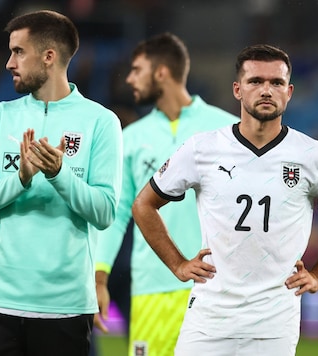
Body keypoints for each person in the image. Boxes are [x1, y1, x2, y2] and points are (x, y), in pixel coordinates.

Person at [132, 44, 318, 356]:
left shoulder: (314, 156)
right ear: (238, 90)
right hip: (210, 317)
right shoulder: (202, 149)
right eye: (256, 81)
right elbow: (143, 204)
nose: (266, 90)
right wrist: (178, 264)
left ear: (290, 91)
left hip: (274, 321)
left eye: (276, 82)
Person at [0, 10, 122, 356]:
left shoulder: (101, 122)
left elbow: (105, 212)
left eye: (19, 51)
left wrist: (58, 175)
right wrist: (20, 178)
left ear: (49, 57)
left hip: (64, 308)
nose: (9, 62)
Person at [93, 32, 239, 356]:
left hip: (215, 287)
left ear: (161, 72)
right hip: (151, 288)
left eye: (136, 69)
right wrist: (100, 277)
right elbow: (116, 214)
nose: (129, 78)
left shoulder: (226, 130)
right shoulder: (130, 139)